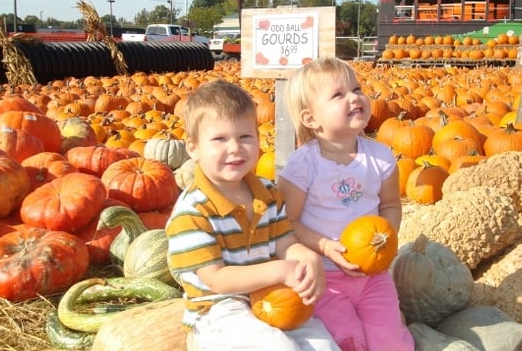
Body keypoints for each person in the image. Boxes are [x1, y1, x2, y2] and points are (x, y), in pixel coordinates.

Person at [165, 79, 341, 351]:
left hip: (271, 296)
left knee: (323, 345)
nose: (234, 148)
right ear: (193, 148)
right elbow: (217, 279)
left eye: (245, 137)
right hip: (218, 309)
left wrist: (305, 256)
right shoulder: (192, 213)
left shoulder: (268, 193)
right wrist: (280, 270)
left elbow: (285, 243)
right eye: (220, 139)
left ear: (259, 140)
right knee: (279, 347)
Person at [277, 57, 415, 351]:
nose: (354, 97)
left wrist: (385, 238)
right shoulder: (303, 164)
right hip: (324, 277)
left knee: (389, 342)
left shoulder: (380, 157)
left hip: (373, 275)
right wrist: (326, 246)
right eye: (338, 95)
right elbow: (287, 222)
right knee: (345, 340)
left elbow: (390, 205)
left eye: (356, 88)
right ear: (311, 119)